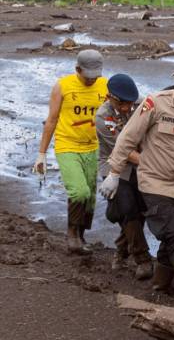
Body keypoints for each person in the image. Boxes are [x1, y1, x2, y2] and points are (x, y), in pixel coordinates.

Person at [99, 63, 174, 312]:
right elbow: (127, 139)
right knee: (173, 233)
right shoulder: (156, 103)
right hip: (156, 182)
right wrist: (113, 173)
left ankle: (161, 284)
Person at [33, 49, 107, 255]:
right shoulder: (62, 86)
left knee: (90, 196)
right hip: (67, 145)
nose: (92, 80)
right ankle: (72, 234)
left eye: (96, 76)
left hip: (93, 147)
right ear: (77, 69)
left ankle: (81, 235)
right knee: (79, 191)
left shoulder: (105, 85)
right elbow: (52, 120)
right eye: (88, 76)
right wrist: (41, 154)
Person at [95, 74, 153, 280]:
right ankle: (143, 258)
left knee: (143, 209)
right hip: (114, 166)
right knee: (127, 208)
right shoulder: (103, 117)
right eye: (123, 104)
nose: (127, 109)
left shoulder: (142, 104)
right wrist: (154, 163)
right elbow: (123, 150)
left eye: (131, 103)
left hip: (141, 163)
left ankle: (121, 250)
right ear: (110, 97)